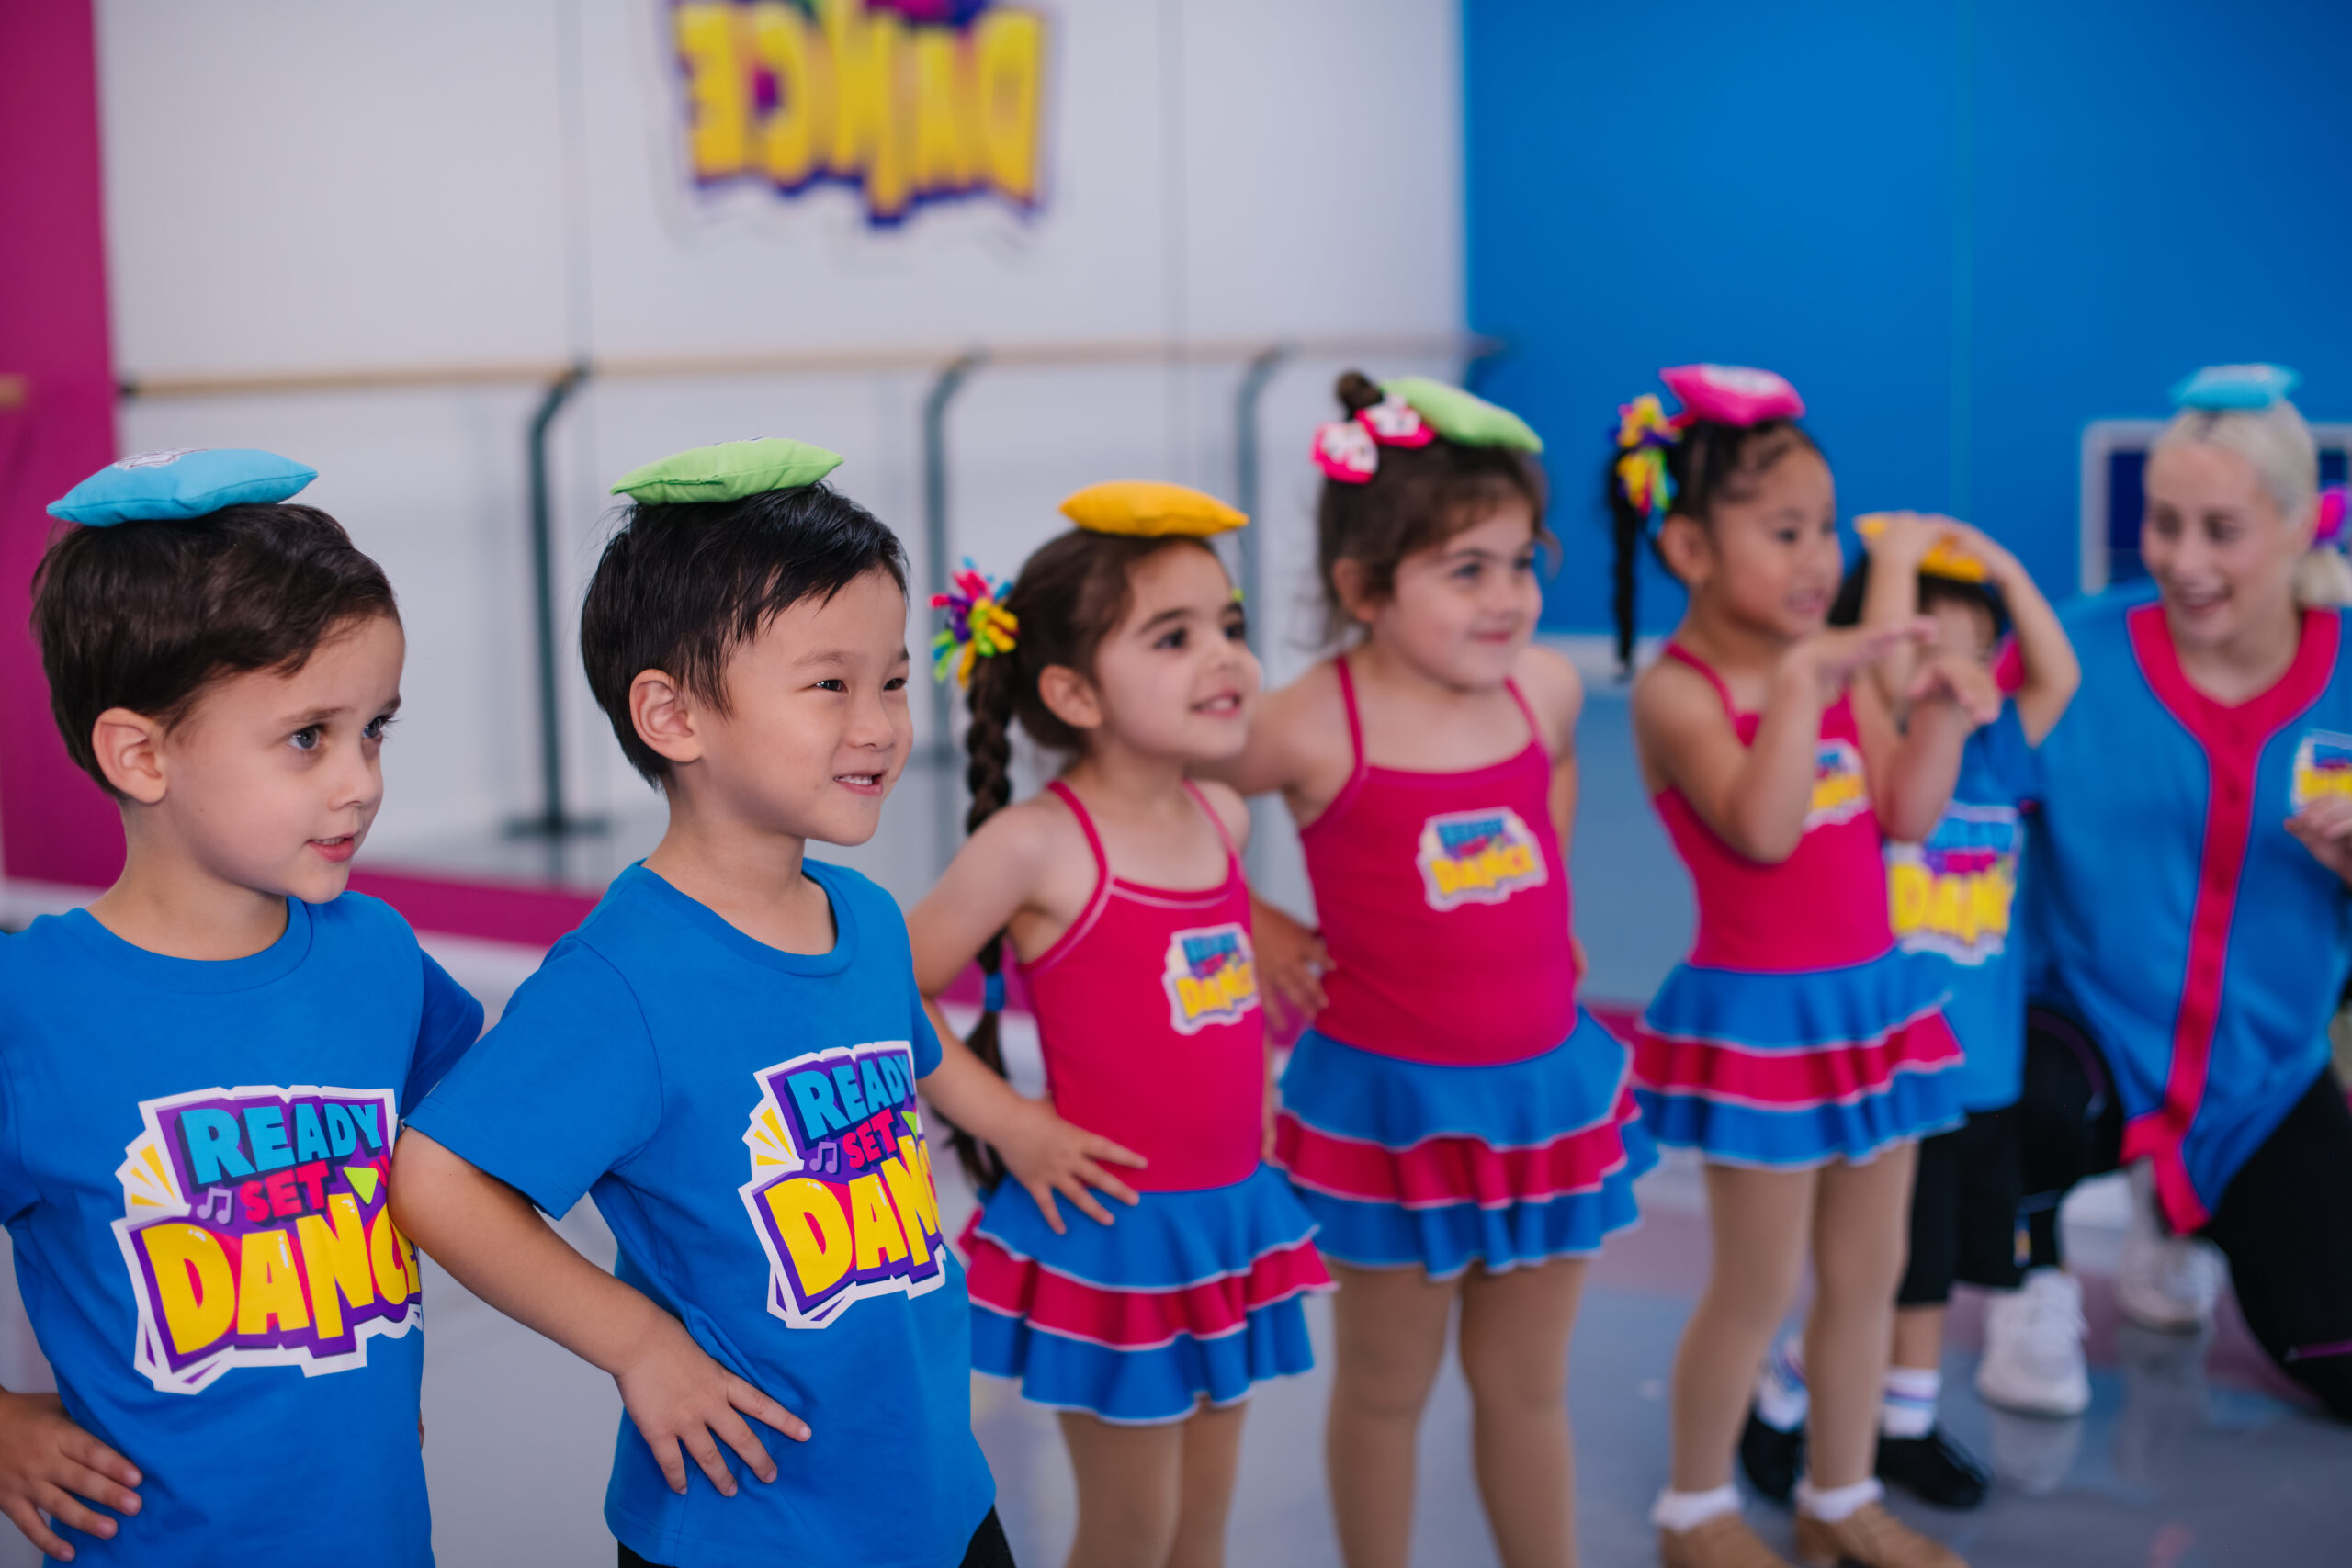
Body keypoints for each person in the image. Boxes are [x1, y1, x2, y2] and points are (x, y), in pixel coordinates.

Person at [389, 442, 1004, 1568]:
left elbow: (917, 1054)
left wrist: (1026, 1131)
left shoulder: (866, 920)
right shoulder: (623, 981)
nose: (880, 724)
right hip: (753, 1521)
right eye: (830, 684)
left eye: (892, 680)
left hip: (935, 1489)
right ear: (672, 716)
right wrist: (636, 1343)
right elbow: (439, 1180)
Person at [0, 449, 483, 1564]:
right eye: (309, 737)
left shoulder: (379, 956)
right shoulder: (32, 1011)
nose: (361, 780)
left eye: (375, 729)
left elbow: (482, 1158)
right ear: (141, 754)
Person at [1216, 373, 1648, 1568]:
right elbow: (1162, 792)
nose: (1508, 596)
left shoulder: (1544, 687)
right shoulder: (1310, 721)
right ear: (1365, 588)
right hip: (1391, 1113)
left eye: (1521, 562)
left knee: (1529, 1386)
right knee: (1385, 1388)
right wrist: (1257, 918)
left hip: (1542, 1096)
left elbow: (1557, 768)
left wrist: (1550, 888)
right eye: (1467, 570)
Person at [1612, 365, 1998, 1568]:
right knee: (1755, 1281)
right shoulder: (1676, 693)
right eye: (1783, 531)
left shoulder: (1822, 660)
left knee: (1869, 1272)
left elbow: (1902, 814)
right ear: (1687, 546)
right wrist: (1802, 684)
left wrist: (1943, 712)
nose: (1820, 557)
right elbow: (1764, 827)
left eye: (1825, 527)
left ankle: (1841, 1490)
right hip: (1760, 1027)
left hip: (1870, 1003)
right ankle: (1693, 1507)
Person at [908, 482, 1329, 1568]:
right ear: (1072, 692)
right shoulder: (1035, 847)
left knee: (1204, 1523)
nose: (1225, 657)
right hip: (1116, 1232)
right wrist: (1008, 1121)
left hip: (1227, 1217)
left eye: (1229, 626)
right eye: (1174, 637)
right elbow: (881, 994)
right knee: (1131, 1530)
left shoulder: (1221, 816)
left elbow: (1203, 984)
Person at [1996, 364, 2352, 1424]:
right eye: (2162, 524)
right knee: (2012, 1099)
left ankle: (2176, 1208)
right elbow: (1944, 820)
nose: (2183, 562)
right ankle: (2028, 1273)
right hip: (2082, 1041)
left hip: (2262, 1076)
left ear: (2299, 525)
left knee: (2338, 1357)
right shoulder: (2065, 658)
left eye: (2220, 531)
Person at [1738, 512, 2079, 1508]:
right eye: (1931, 647)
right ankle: (1786, 1393)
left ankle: (1902, 1427)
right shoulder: (1878, 760)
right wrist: (1892, 569)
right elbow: (1886, 681)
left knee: (1939, 1269)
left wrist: (2006, 568)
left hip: (1984, 1069)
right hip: (1892, 1073)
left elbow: (2058, 673)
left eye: (1975, 649)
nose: (1955, 669)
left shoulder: (2001, 754)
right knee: (1886, 1269)